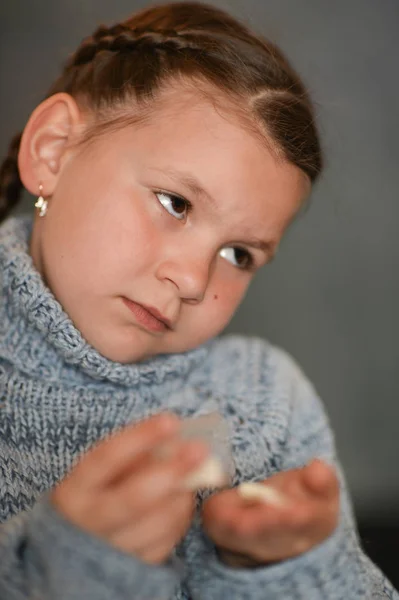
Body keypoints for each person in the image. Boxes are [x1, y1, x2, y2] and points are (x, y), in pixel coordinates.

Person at [0, 2, 396, 599]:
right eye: (175, 203)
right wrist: (62, 565)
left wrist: (292, 569)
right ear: (54, 150)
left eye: (240, 255)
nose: (191, 280)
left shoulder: (262, 402)